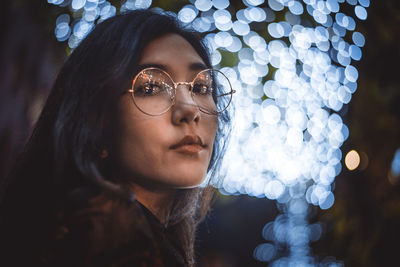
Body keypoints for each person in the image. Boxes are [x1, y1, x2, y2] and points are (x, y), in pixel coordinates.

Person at [0, 9, 233, 267]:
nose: (189, 109)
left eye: (201, 87)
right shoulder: (107, 238)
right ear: (97, 119)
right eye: (150, 88)